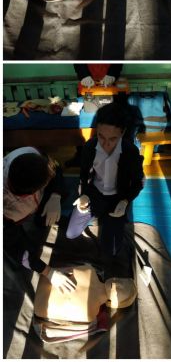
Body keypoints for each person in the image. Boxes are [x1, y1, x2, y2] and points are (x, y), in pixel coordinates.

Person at [66, 102, 144, 257]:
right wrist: (84, 194)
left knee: (112, 250)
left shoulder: (130, 151)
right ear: (97, 130)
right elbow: (84, 176)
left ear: (123, 132)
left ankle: (107, 219)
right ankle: (97, 215)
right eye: (101, 136)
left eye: (112, 139)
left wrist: (125, 201)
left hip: (117, 199)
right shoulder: (90, 147)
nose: (106, 145)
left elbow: (138, 182)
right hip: (94, 194)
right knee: (71, 233)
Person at [4, 147, 76, 294]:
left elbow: (55, 168)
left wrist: (56, 195)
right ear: (30, 194)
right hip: (12, 219)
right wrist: (50, 273)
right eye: (45, 182)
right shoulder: (6, 207)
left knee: (42, 221)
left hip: (32, 203)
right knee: (23, 245)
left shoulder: (29, 155)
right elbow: (18, 248)